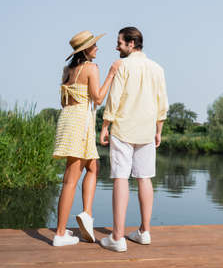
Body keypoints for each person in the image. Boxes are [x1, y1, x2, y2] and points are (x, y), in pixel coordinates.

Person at [100, 27, 168, 252]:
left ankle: (117, 237)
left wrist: (105, 126)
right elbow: (162, 104)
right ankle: (144, 232)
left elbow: (114, 99)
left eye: (119, 42)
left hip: (123, 129)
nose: (116, 46)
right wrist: (159, 130)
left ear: (131, 44)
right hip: (147, 131)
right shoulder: (157, 69)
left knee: (120, 177)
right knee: (144, 178)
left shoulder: (122, 66)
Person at [52, 30, 121, 247]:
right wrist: (111, 74)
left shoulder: (67, 70)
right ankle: (60, 233)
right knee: (70, 180)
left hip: (67, 119)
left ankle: (86, 214)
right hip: (80, 123)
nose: (97, 48)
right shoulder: (92, 68)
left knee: (93, 167)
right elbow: (98, 98)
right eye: (94, 45)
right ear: (86, 49)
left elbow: (64, 102)